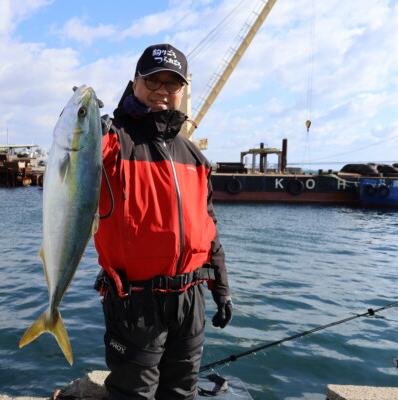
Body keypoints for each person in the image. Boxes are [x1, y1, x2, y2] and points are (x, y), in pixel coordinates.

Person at [94, 43, 232, 400]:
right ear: (134, 83)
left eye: (172, 85)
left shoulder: (194, 156)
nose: (161, 92)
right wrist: (92, 127)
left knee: (183, 391)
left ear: (183, 92)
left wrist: (221, 287)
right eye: (152, 81)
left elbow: (209, 227)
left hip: (191, 298)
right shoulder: (113, 141)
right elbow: (74, 159)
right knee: (133, 394)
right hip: (135, 301)